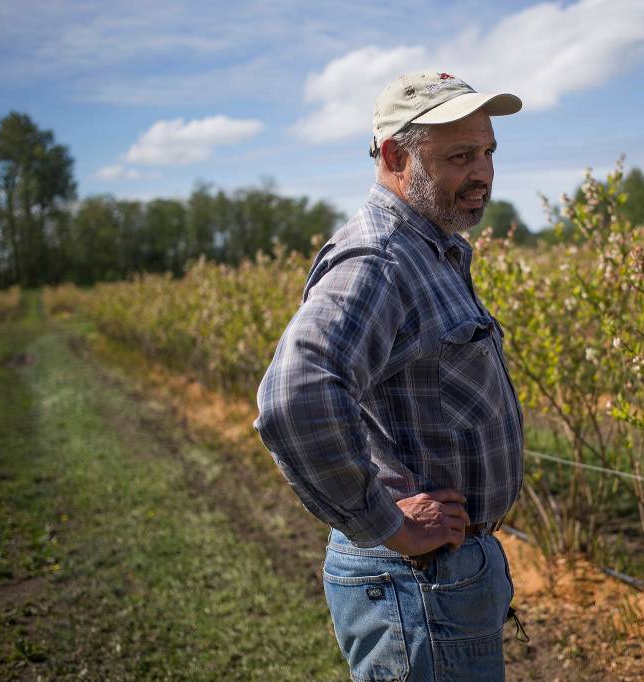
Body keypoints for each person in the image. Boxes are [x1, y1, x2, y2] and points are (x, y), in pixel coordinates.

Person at [253, 71, 525, 681]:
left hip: (441, 582)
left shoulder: (431, 248)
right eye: (459, 156)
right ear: (397, 157)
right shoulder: (381, 257)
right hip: (417, 587)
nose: (482, 172)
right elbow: (294, 397)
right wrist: (389, 525)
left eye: (488, 152)